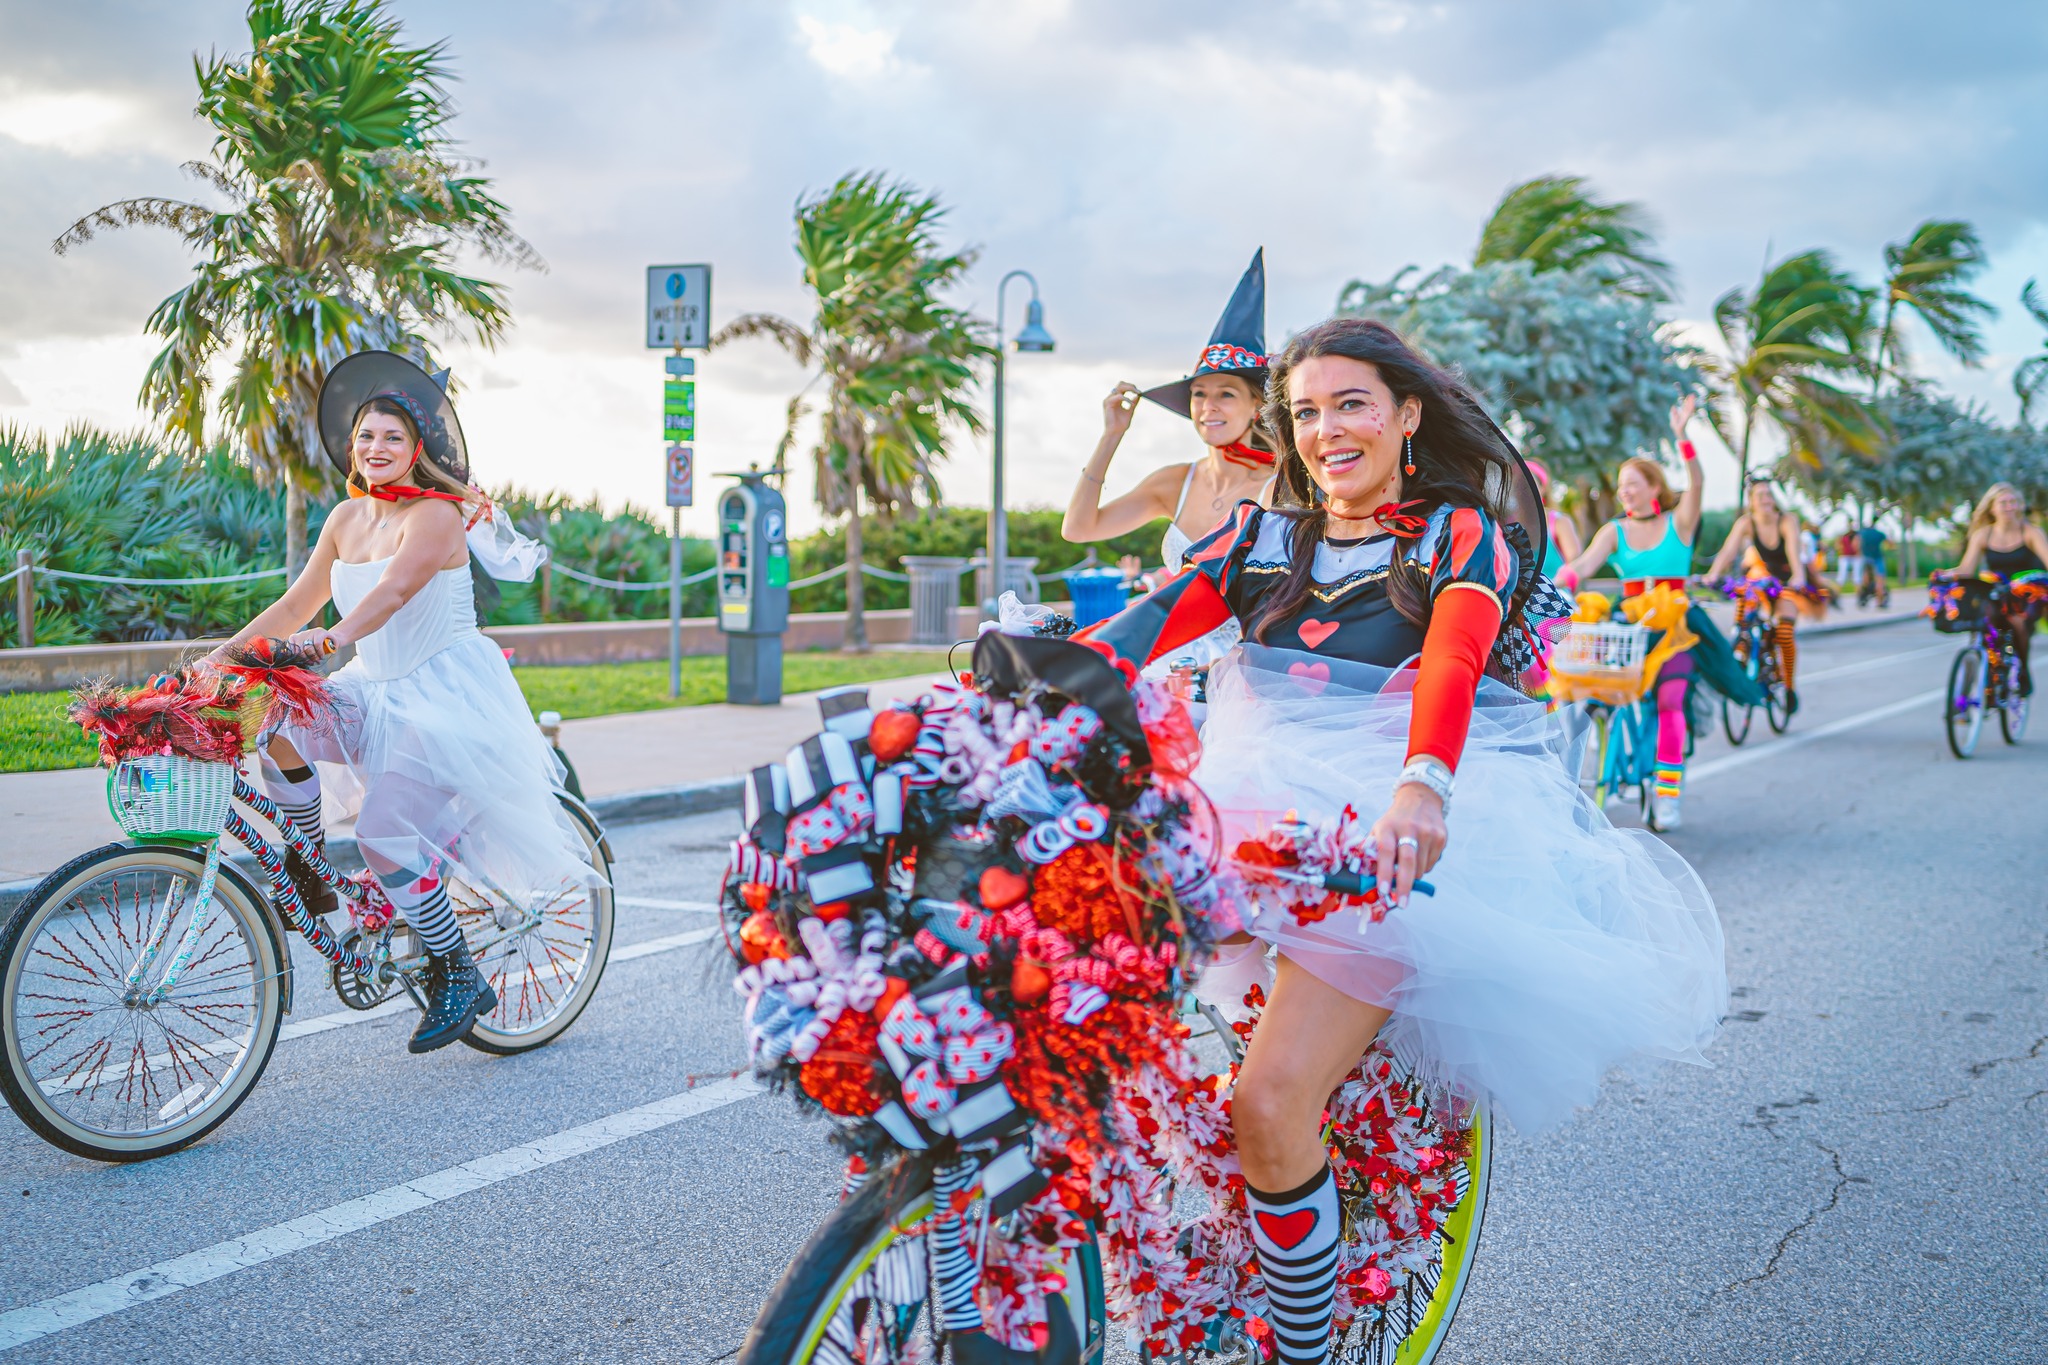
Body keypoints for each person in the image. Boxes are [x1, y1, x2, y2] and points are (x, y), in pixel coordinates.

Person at [1079, 318, 1724, 1365]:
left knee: (1269, 1100)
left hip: (1382, 837)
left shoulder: (1455, 534)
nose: (1325, 429)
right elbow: (1135, 633)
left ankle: (1305, 1347)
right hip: (1243, 811)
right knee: (1114, 1039)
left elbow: (1453, 661)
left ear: (1405, 415)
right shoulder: (1259, 539)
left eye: (1350, 404)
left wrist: (1420, 786)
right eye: (1304, 411)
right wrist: (1001, 692)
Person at [206, 351, 594, 1054]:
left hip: (444, 695)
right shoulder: (346, 518)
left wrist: (328, 644)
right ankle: (308, 865)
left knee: (385, 833)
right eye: (365, 436)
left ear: (417, 448)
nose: (375, 448)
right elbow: (298, 602)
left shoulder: (439, 516)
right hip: (376, 687)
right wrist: (224, 656)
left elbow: (388, 597)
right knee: (279, 728)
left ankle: (458, 969)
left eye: (392, 437)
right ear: (350, 446)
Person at [1063, 251, 1277, 651]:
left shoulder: (1278, 488)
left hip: (1245, 671)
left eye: (1226, 394)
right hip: (1169, 664)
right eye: (1199, 394)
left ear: (1255, 408)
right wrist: (1112, 435)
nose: (1208, 407)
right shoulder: (1175, 481)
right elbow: (1078, 528)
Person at [1552, 398, 1705, 829]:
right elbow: (1582, 565)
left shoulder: (1681, 524)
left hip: (1675, 627)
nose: (1625, 491)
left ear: (1654, 487)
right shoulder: (1614, 530)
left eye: (1633, 484)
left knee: (1671, 702)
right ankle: (1580, 776)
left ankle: (1667, 792)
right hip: (1630, 626)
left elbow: (1697, 483)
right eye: (1621, 485)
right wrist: (1561, 580)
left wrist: (1683, 439)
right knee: (1582, 690)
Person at [1704, 477, 1815, 711]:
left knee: (1784, 632)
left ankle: (1789, 686)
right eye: (1759, 495)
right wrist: (1713, 574)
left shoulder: (1786, 520)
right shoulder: (1747, 523)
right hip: (1764, 580)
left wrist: (1798, 576)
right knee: (1744, 613)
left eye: (1768, 494)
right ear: (1751, 502)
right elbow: (1728, 550)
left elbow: (1794, 550)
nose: (1765, 499)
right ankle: (1744, 656)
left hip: (1787, 582)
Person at [1954, 481, 2048, 695]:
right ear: (1992, 508)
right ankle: (1976, 687)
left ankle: (2023, 671)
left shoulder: (2030, 533)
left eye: (2013, 502)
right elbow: (1967, 568)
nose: (2009, 507)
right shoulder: (1983, 535)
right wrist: (1946, 574)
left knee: (2018, 621)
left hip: (2027, 594)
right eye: (2003, 502)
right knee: (1985, 619)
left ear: (2020, 506)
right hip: (1997, 592)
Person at [1858, 520, 1890, 606]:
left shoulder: (1862, 533)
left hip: (1866, 558)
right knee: (1880, 581)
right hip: (1878, 558)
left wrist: (1860, 551)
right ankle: (1880, 602)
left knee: (1864, 579)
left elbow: (1855, 543)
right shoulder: (1879, 534)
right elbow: (1890, 543)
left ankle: (1862, 597)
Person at [1835, 527, 1863, 602]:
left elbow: (1858, 546)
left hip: (1854, 557)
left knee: (1857, 577)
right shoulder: (1844, 537)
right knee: (1842, 576)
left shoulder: (1856, 536)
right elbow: (1838, 545)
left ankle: (1859, 595)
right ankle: (1837, 594)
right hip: (1845, 556)